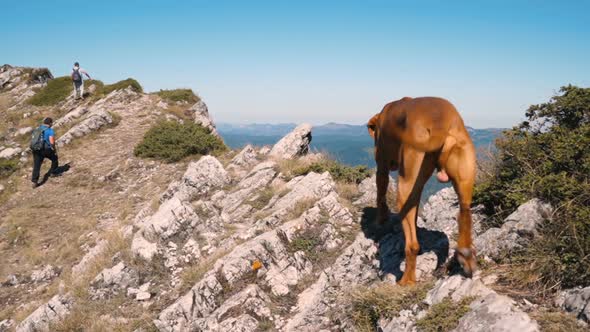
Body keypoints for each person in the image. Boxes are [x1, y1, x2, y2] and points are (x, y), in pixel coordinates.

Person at [31, 117, 59, 188]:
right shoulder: (50, 130)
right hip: (46, 149)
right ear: (50, 123)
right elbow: (52, 142)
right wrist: (54, 149)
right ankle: (53, 172)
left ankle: (35, 181)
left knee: (37, 165)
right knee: (54, 159)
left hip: (36, 149)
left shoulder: (37, 129)